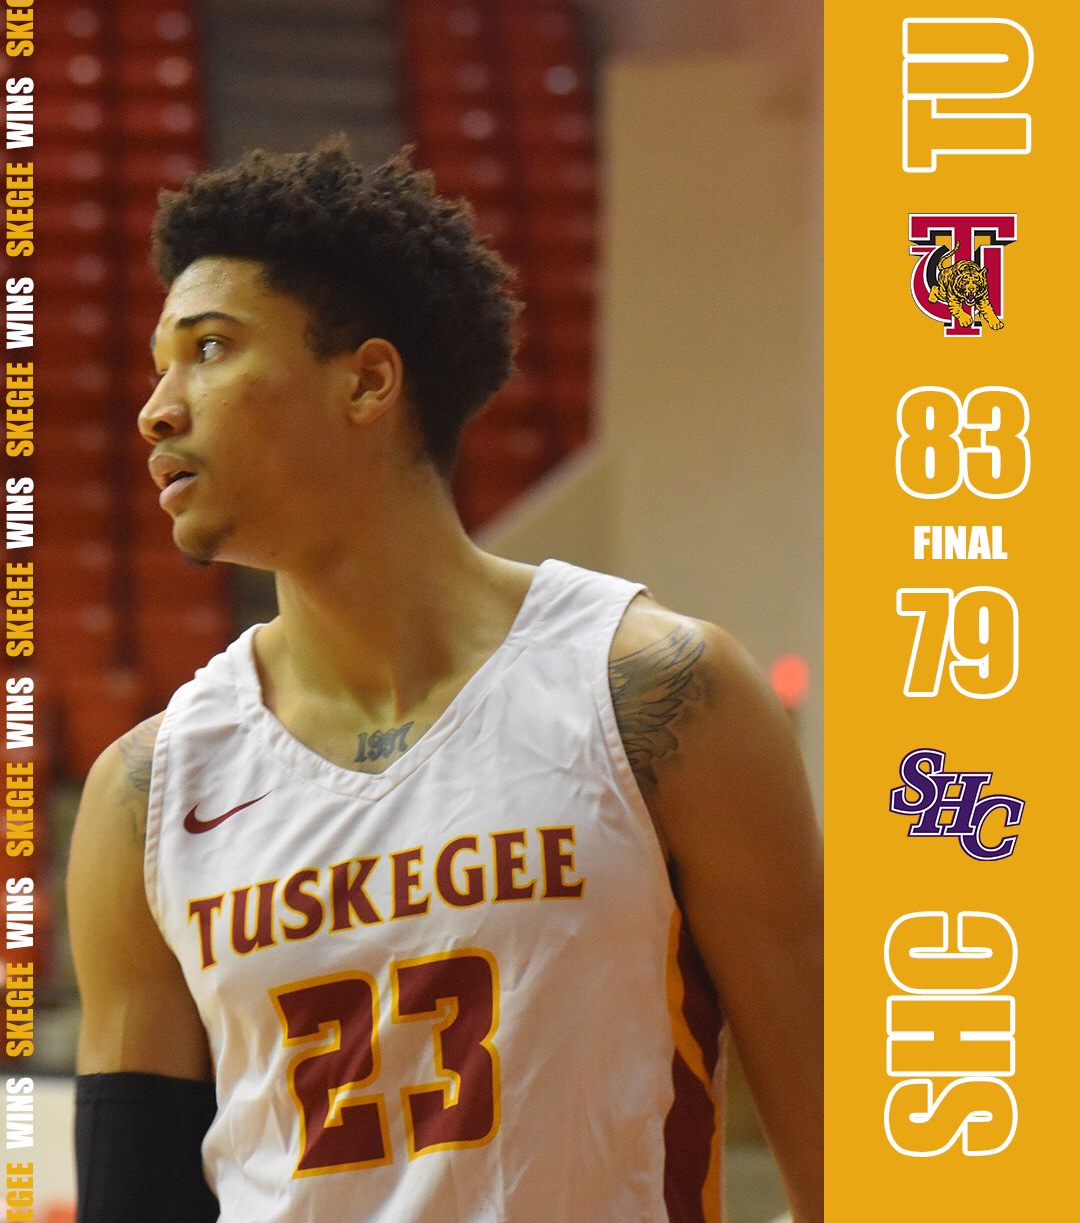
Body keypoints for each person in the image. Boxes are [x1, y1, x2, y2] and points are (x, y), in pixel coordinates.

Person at [66, 141, 823, 1223]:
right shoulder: (146, 793)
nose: (156, 409)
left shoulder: (659, 697)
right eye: (157, 367)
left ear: (368, 381)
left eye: (210, 349)